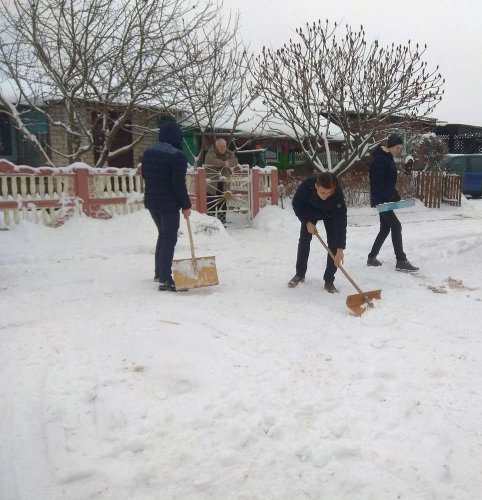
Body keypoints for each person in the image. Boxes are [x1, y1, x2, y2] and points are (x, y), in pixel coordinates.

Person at [142, 121, 191, 291]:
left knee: (163, 235)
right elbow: (178, 184)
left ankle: (159, 272)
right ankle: (165, 278)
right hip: (168, 203)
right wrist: (186, 205)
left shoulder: (148, 152)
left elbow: (146, 176)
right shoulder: (177, 156)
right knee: (169, 237)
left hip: (152, 201)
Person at [367, 134, 419, 272]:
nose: (398, 150)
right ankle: (401, 260)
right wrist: (390, 195)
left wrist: (394, 195)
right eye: (397, 148)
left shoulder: (387, 158)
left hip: (384, 199)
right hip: (381, 200)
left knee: (385, 228)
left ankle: (372, 257)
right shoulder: (380, 160)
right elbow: (377, 183)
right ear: (389, 146)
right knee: (396, 226)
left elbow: (388, 182)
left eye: (400, 148)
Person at [288, 172, 347, 293]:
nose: (325, 196)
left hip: (330, 215)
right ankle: (300, 273)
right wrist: (307, 221)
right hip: (310, 212)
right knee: (304, 240)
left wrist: (340, 249)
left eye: (328, 192)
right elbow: (296, 204)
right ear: (316, 186)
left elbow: (341, 220)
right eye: (322, 192)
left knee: (334, 245)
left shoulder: (337, 193)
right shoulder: (307, 186)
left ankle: (329, 281)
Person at [204, 138, 238, 224]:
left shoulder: (228, 153)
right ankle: (210, 223)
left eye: (224, 146)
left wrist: (228, 162)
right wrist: (225, 163)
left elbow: (235, 160)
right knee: (211, 202)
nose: (223, 148)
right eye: (221, 146)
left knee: (223, 203)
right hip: (212, 183)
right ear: (216, 146)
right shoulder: (210, 153)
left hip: (224, 183)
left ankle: (222, 221)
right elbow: (212, 161)